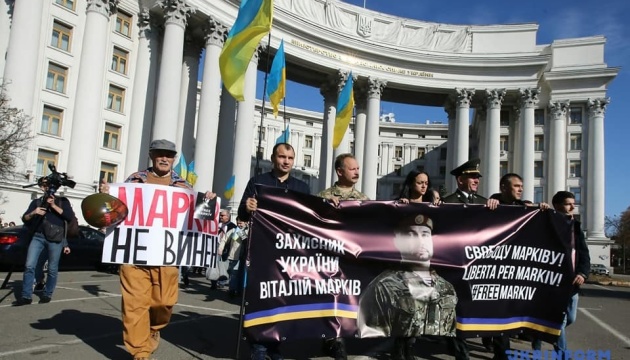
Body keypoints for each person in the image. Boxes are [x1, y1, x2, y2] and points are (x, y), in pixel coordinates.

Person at [99, 139, 216, 360]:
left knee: (163, 302)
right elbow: (113, 211)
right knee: (134, 306)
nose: (164, 158)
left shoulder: (183, 187)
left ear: (174, 159)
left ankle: (153, 328)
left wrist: (207, 203)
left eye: (169, 155)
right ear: (152, 156)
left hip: (167, 258)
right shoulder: (134, 180)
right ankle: (140, 352)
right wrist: (107, 193)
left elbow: (198, 219)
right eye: (159, 154)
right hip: (134, 255)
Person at [238, 142, 310, 360]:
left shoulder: (302, 187)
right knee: (260, 300)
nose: (286, 161)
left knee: (282, 302)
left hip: (289, 254)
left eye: (290, 158)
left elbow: (310, 220)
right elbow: (241, 215)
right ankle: (258, 345)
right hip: (262, 253)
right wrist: (247, 207)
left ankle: (275, 344)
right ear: (273, 158)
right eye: (281, 157)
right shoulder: (257, 182)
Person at [357, 214, 457, 360]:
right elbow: (374, 338)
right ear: (398, 242)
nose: (420, 241)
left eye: (425, 234)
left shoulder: (447, 287)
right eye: (411, 235)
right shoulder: (383, 287)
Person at [441, 159, 502, 360]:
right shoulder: (447, 202)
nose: (476, 180)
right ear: (460, 180)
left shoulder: (485, 203)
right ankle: (460, 351)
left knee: (477, 306)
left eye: (477, 177)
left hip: (478, 267)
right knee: (457, 308)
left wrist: (496, 206)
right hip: (455, 265)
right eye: (472, 177)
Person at [317, 153, 368, 360]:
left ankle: (338, 336)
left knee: (348, 299)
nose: (357, 171)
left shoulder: (363, 200)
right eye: (352, 168)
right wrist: (323, 205)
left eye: (357, 168)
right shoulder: (324, 195)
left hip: (352, 260)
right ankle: (334, 339)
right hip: (330, 259)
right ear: (340, 171)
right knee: (331, 299)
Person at [531, 191, 589, 359]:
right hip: (550, 281)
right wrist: (539, 209)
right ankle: (562, 355)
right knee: (560, 320)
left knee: (570, 318)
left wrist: (583, 273)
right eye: (568, 204)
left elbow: (584, 254)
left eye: (573, 203)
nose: (573, 207)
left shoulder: (576, 227)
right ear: (557, 206)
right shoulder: (547, 222)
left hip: (572, 283)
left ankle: (538, 334)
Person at [14, 177, 73, 306]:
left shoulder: (62, 201)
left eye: (51, 185)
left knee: (52, 268)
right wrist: (34, 212)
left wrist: (53, 205)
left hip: (55, 238)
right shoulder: (36, 202)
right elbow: (25, 218)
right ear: (41, 187)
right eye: (45, 185)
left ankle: (47, 293)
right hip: (38, 236)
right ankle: (26, 295)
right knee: (29, 265)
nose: (48, 188)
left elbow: (69, 217)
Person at [218, 217, 247, 298]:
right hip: (234, 256)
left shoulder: (248, 231)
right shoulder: (234, 231)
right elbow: (224, 239)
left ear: (245, 223)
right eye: (238, 223)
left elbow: (248, 242)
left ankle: (239, 290)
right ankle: (232, 290)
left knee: (240, 275)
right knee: (233, 274)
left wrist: (242, 234)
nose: (239, 225)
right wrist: (220, 249)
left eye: (241, 223)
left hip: (244, 258)